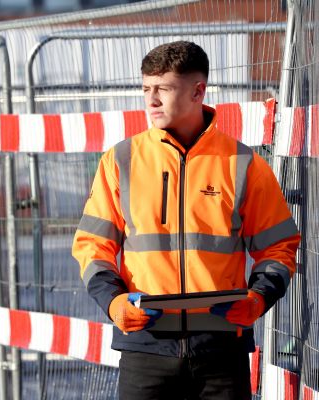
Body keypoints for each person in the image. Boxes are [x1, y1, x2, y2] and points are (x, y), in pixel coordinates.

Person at [71, 41, 300, 400]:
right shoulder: (121, 161)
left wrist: (257, 299)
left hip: (221, 349)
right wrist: (113, 301)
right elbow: (92, 246)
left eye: (163, 88)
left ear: (197, 91)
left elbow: (280, 247)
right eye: (146, 88)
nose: (151, 100)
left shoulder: (242, 164)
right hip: (145, 346)